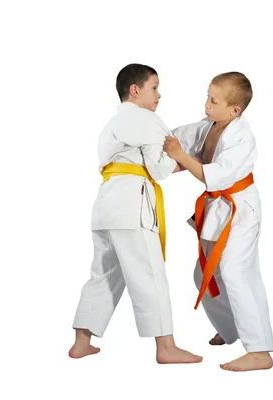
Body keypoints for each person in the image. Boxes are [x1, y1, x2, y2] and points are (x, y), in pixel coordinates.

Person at [69, 63, 202, 364]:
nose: (159, 95)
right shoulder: (146, 119)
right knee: (150, 274)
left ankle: (81, 341)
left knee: (103, 273)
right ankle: (166, 348)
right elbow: (158, 167)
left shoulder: (110, 126)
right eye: (154, 87)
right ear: (135, 90)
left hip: (106, 206)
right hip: (132, 206)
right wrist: (181, 159)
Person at [163, 72, 273, 371]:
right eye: (207, 97)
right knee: (204, 277)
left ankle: (260, 350)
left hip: (240, 211)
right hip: (217, 208)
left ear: (234, 110)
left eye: (214, 100)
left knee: (236, 273)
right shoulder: (210, 125)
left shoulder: (242, 137)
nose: (207, 104)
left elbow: (209, 172)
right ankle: (230, 330)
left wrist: (181, 158)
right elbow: (178, 143)